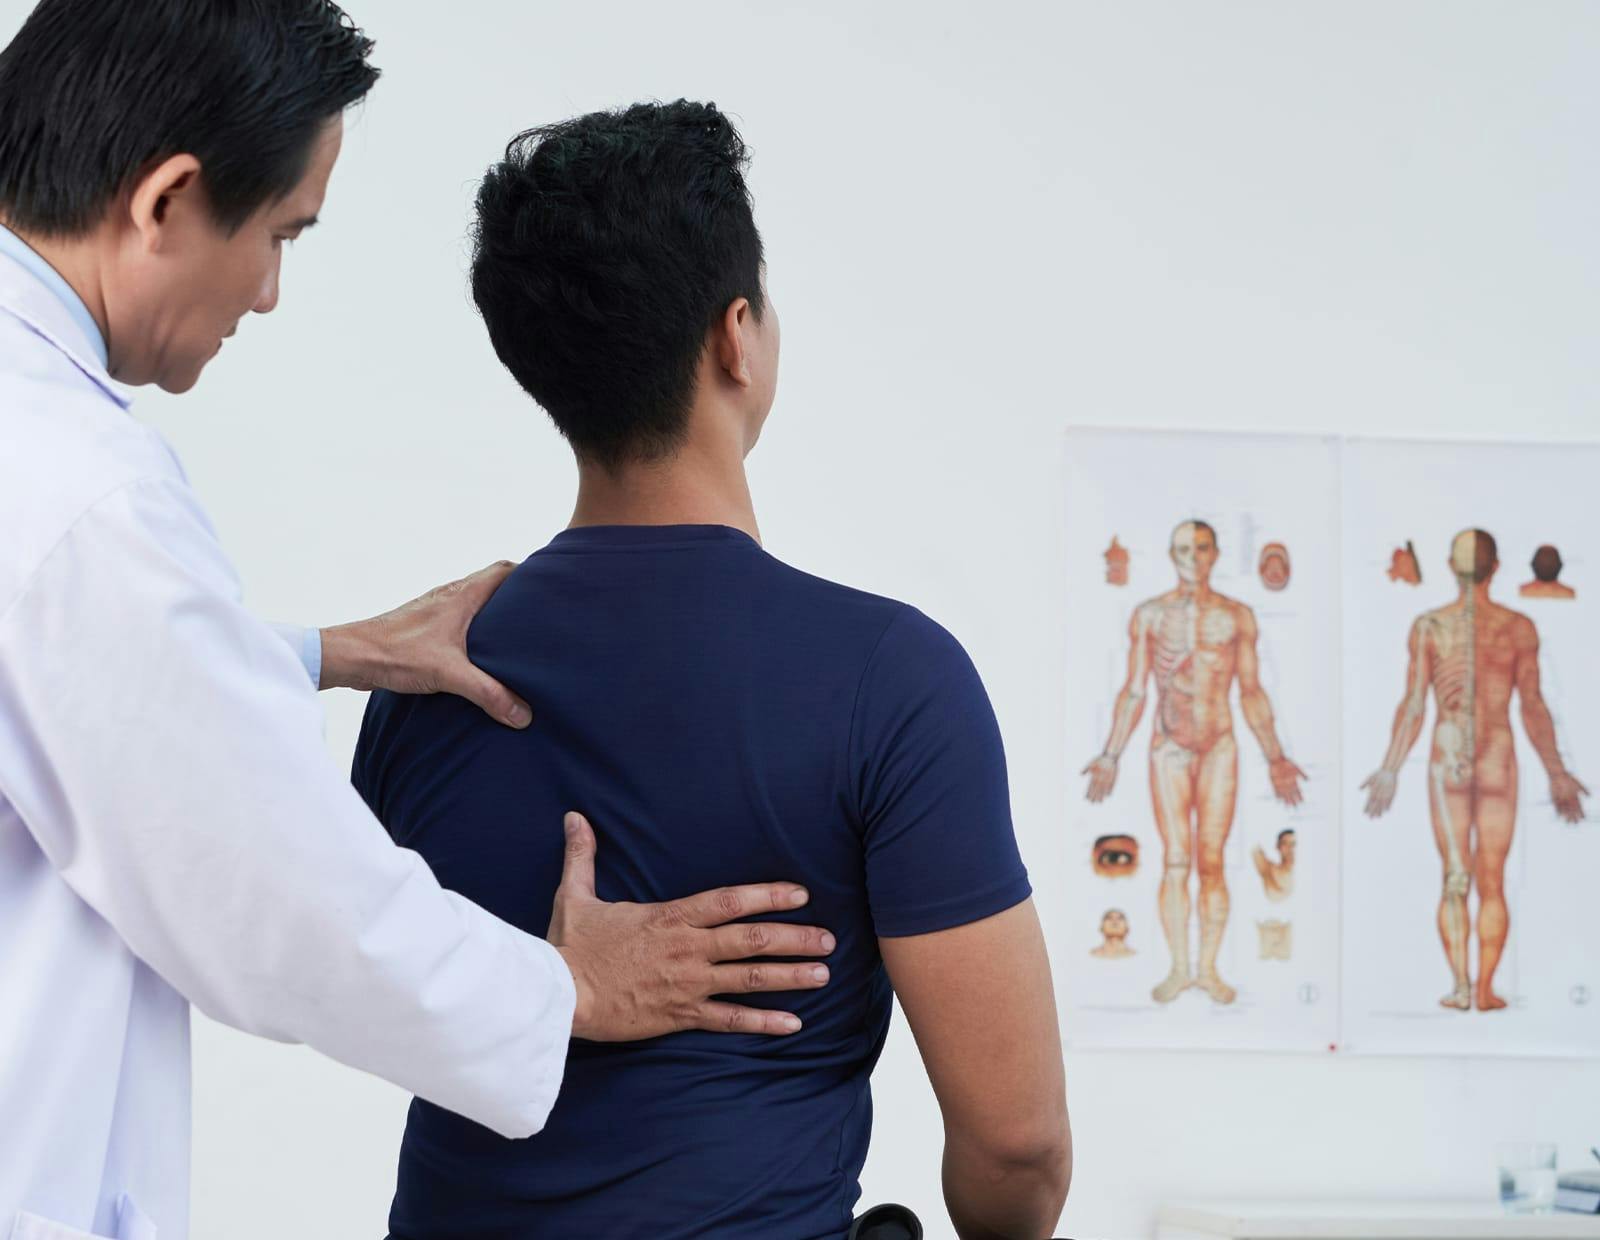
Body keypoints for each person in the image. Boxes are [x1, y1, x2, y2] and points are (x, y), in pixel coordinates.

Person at [0, 6, 833, 1238]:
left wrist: (318, 653)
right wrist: (559, 986)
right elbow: (281, 898)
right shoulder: (78, 491)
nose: (271, 294)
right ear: (168, 200)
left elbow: (70, 689)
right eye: (281, 233)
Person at [352, 100, 1071, 1240]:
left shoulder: (430, 671)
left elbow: (353, 981)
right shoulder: (892, 681)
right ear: (736, 335)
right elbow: (1015, 1141)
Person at [1362, 529, 1588, 1011]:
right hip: (1495, 756)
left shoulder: (1429, 625)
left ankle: (1464, 986)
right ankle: (1481, 988)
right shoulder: (1516, 627)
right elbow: (1531, 706)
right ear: (1498, 567)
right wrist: (1556, 771)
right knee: (1489, 879)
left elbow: (1415, 703)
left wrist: (1391, 767)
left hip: (1450, 758)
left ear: (1448, 565)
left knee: (1456, 877)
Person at [1083, 520, 1306, 1005]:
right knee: (1176, 859)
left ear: (1215, 554)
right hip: (1169, 747)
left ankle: (1207, 969)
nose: (1193, 556)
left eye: (1202, 547)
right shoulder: (1149, 615)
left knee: (1212, 862)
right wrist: (1111, 753)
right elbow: (1135, 688)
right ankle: (1179, 968)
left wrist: (1276, 757)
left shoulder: (1237, 616)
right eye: (1184, 547)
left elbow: (1250, 690)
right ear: (1171, 553)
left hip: (1219, 745)